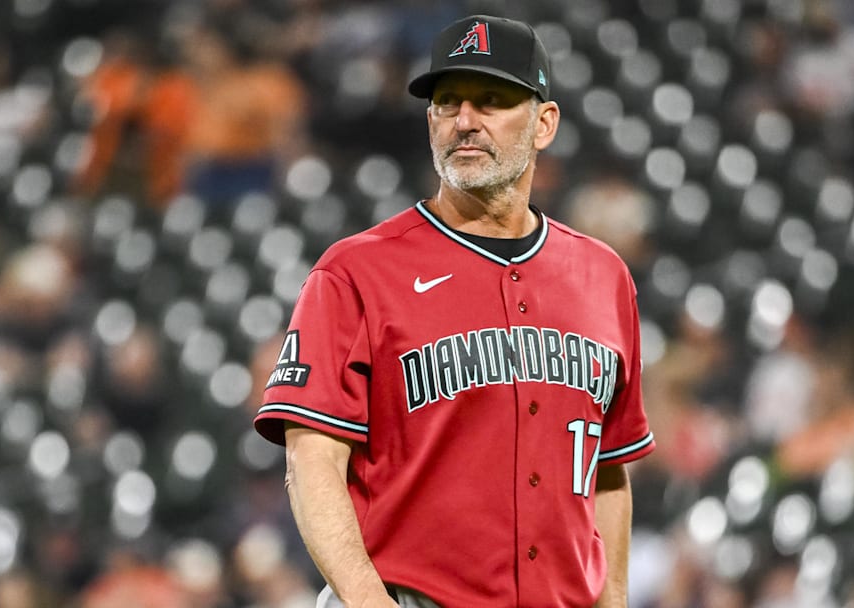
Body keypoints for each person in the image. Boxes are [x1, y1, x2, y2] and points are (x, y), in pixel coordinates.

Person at [253, 14, 656, 607]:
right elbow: (311, 462)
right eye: (447, 103)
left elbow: (609, 470)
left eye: (491, 101)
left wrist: (614, 600)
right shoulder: (356, 272)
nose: (465, 121)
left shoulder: (604, 277)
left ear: (544, 124)